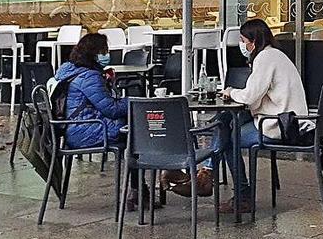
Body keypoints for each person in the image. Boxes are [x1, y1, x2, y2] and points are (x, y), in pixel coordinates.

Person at [168, 18, 308, 213]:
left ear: (254, 41)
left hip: (279, 125)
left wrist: (231, 92)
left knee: (228, 140)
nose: (242, 45)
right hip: (281, 118)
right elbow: (257, 97)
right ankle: (205, 174)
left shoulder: (265, 58)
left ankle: (240, 195)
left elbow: (250, 97)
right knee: (224, 119)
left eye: (243, 40)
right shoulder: (275, 55)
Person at [51, 33, 147, 209]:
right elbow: (110, 109)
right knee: (136, 132)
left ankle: (140, 191)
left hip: (72, 129)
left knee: (132, 129)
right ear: (93, 53)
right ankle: (139, 191)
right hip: (86, 130)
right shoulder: (89, 77)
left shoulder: (69, 70)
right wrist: (134, 101)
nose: (106, 55)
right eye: (104, 51)